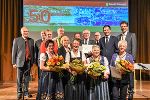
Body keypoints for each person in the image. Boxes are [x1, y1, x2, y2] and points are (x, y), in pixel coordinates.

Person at [12, 27, 34, 99]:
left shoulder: (31, 40)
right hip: (19, 62)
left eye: (27, 31)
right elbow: (14, 52)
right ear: (21, 32)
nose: (26, 33)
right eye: (24, 31)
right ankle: (19, 92)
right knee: (19, 78)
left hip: (28, 62)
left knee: (27, 78)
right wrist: (14, 62)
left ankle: (26, 92)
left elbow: (32, 52)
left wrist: (32, 61)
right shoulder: (17, 40)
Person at [117, 21, 137, 99]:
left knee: (130, 76)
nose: (123, 27)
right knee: (121, 76)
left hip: (129, 59)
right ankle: (121, 93)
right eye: (122, 26)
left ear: (127, 27)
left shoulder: (132, 35)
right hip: (120, 59)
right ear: (120, 27)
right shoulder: (118, 36)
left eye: (125, 26)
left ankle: (131, 92)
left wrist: (133, 59)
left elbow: (134, 47)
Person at [99, 25, 119, 99]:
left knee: (113, 81)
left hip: (112, 63)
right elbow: (99, 51)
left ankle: (112, 96)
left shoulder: (115, 38)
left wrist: (114, 59)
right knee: (104, 79)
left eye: (107, 30)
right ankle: (105, 96)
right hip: (103, 63)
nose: (106, 31)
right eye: (104, 30)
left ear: (110, 30)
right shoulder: (101, 39)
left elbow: (117, 50)